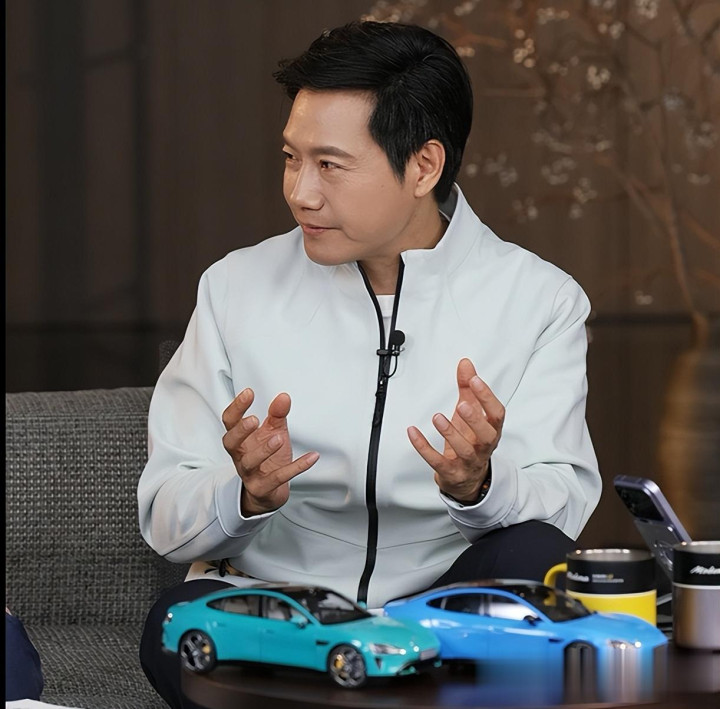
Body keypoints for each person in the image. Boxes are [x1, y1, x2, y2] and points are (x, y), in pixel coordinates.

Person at [138, 19, 601, 707]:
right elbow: (165, 513)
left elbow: (560, 505)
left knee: (538, 556)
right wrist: (244, 496)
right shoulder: (234, 288)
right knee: (173, 628)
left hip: (441, 615)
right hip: (284, 611)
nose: (301, 192)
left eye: (329, 164)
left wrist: (480, 485)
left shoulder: (539, 301)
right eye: (291, 157)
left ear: (423, 166)